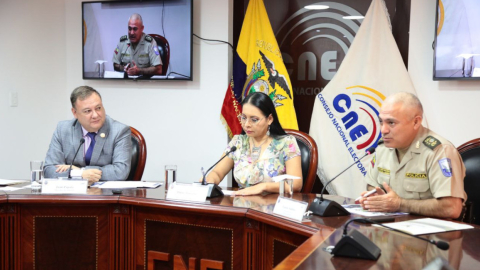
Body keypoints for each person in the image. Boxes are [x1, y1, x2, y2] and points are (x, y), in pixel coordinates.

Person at [358, 92, 466, 219]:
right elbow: (372, 185)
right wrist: (375, 199)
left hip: (431, 233)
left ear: (416, 122)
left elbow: (451, 208)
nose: (383, 130)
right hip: (390, 226)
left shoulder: (439, 151)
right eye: (381, 122)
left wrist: (399, 204)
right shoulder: (383, 148)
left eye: (391, 123)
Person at [204, 92, 302, 196]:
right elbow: (218, 173)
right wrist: (210, 179)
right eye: (244, 117)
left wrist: (263, 187)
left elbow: (296, 184)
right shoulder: (238, 143)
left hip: (272, 207)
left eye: (254, 120)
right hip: (241, 205)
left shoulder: (286, 143)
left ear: (269, 119)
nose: (246, 124)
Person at [43, 86, 132, 183]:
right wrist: (79, 174)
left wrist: (81, 171)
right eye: (87, 111)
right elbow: (49, 170)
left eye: (98, 108)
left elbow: (120, 172)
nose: (95, 115)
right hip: (71, 194)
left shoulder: (119, 131)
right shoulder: (63, 129)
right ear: (75, 113)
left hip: (104, 195)